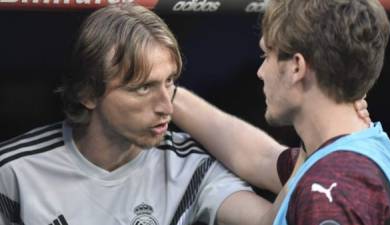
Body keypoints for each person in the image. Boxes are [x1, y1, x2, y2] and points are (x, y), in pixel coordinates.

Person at [0, 3, 275, 225]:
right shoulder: (14, 172)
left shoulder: (189, 168)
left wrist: (309, 117)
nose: (167, 107)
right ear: (87, 93)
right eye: (143, 88)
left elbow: (274, 221)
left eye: (170, 82)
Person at [172, 0, 390, 224]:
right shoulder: (366, 150)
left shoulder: (327, 192)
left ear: (296, 67)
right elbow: (257, 156)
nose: (260, 72)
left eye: (266, 55)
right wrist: (167, 94)